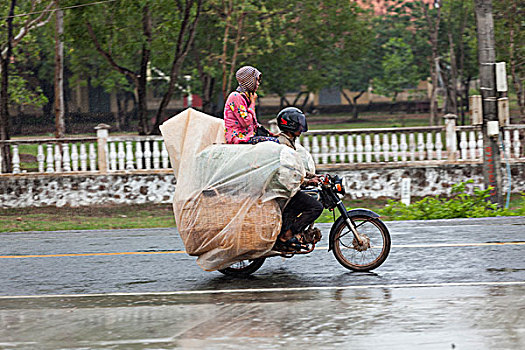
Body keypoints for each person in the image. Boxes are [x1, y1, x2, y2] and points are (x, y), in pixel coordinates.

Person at [275, 107, 324, 251]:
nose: (301, 127)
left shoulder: (288, 142)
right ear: (289, 125)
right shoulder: (283, 144)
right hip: (284, 189)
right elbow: (287, 171)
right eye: (299, 123)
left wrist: (313, 176)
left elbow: (296, 167)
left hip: (287, 188)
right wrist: (307, 181)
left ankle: (292, 232)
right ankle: (287, 235)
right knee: (316, 206)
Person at [224, 66, 278, 144]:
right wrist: (253, 103)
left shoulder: (246, 97)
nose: (258, 84)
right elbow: (246, 122)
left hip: (249, 136)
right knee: (274, 142)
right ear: (249, 81)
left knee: (276, 140)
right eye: (256, 81)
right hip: (239, 138)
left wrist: (271, 134)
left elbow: (254, 124)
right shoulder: (236, 97)